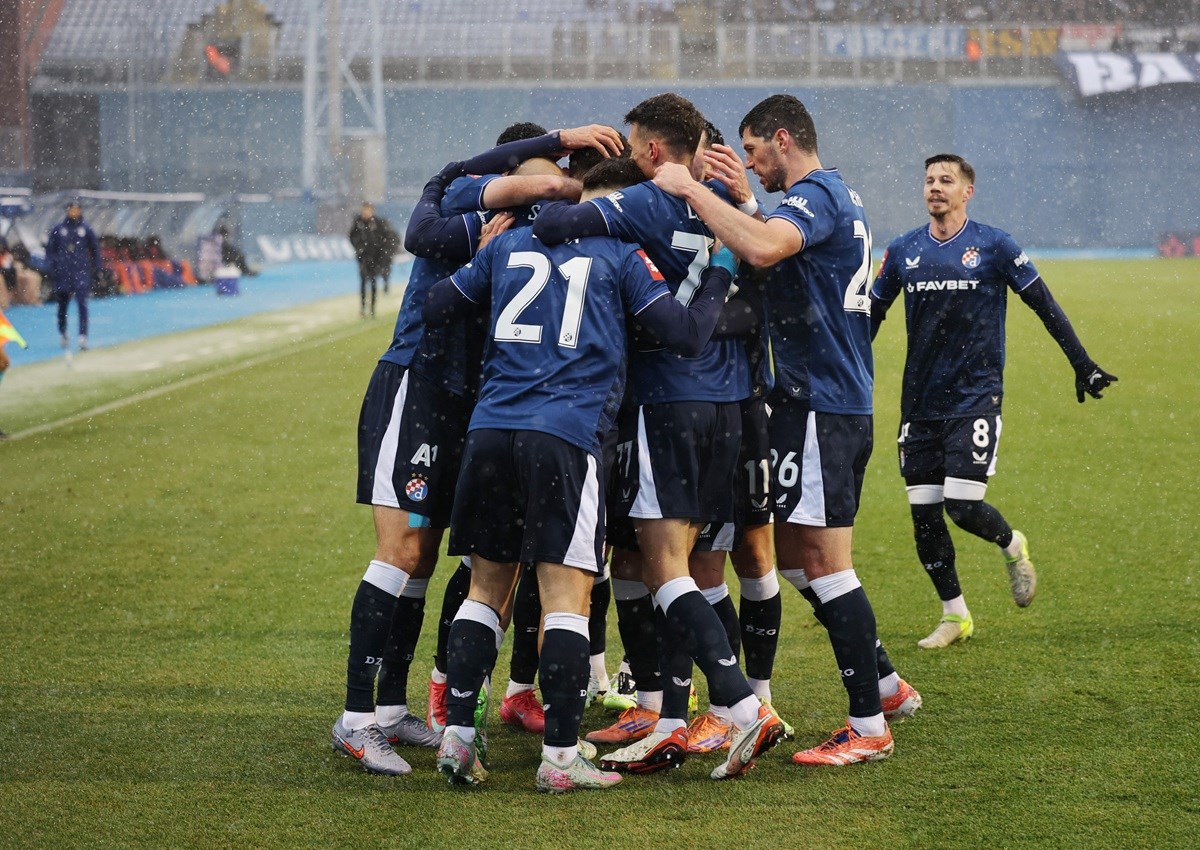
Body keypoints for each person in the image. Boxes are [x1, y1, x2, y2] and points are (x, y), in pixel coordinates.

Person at [424, 156, 737, 791]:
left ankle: (458, 738)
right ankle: (561, 760)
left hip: (491, 430)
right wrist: (721, 271)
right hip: (565, 436)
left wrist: (480, 263)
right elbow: (684, 335)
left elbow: (437, 306)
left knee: (485, 591)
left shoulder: (507, 244)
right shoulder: (620, 254)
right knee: (566, 598)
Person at [330, 123, 623, 777]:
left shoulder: (522, 226)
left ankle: (388, 709)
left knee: (422, 558)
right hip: (418, 384)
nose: (552, 187)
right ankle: (354, 718)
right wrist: (559, 149)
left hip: (469, 405)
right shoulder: (472, 205)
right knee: (400, 550)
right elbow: (438, 200)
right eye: (541, 175)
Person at [654, 93, 921, 766]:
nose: (749, 163)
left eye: (753, 151)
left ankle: (867, 727)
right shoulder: (836, 196)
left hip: (821, 404)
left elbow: (767, 247)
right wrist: (747, 203)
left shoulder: (817, 195)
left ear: (783, 138)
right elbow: (780, 246)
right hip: (823, 401)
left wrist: (692, 190)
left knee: (827, 563)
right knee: (802, 559)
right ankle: (884, 685)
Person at [534, 93, 787, 779]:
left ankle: (742, 706)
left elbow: (555, 224)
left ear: (650, 150)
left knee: (662, 565)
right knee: (690, 566)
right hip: (727, 407)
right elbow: (759, 277)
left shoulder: (643, 203)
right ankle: (673, 719)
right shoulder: (723, 206)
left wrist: (561, 189)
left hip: (664, 401)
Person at [870, 153, 1117, 649]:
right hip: (918, 404)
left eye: (946, 180)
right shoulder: (903, 250)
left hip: (974, 398)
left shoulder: (994, 245)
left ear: (967, 191)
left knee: (962, 507)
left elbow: (1045, 305)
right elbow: (869, 318)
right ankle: (955, 615)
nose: (935, 187)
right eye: (929, 180)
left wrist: (1082, 363)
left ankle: (1011, 544)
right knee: (924, 517)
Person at [45, 200, 99, 351]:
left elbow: (95, 249)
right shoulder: (58, 229)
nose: (74, 212)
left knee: (83, 304)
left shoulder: (85, 229)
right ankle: (63, 332)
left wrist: (96, 268)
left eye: (76, 209)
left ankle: (82, 337)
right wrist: (52, 267)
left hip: (80, 272)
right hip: (63, 274)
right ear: (67, 210)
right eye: (71, 209)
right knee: (62, 306)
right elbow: (49, 250)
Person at [349, 203, 388, 317]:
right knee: (363, 282)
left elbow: (384, 237)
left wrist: (380, 251)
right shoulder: (358, 222)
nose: (365, 213)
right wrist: (358, 248)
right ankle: (362, 308)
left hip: (375, 258)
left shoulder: (377, 222)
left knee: (373, 282)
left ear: (372, 211)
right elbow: (351, 236)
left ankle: (372, 309)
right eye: (364, 210)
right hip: (362, 258)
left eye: (367, 210)